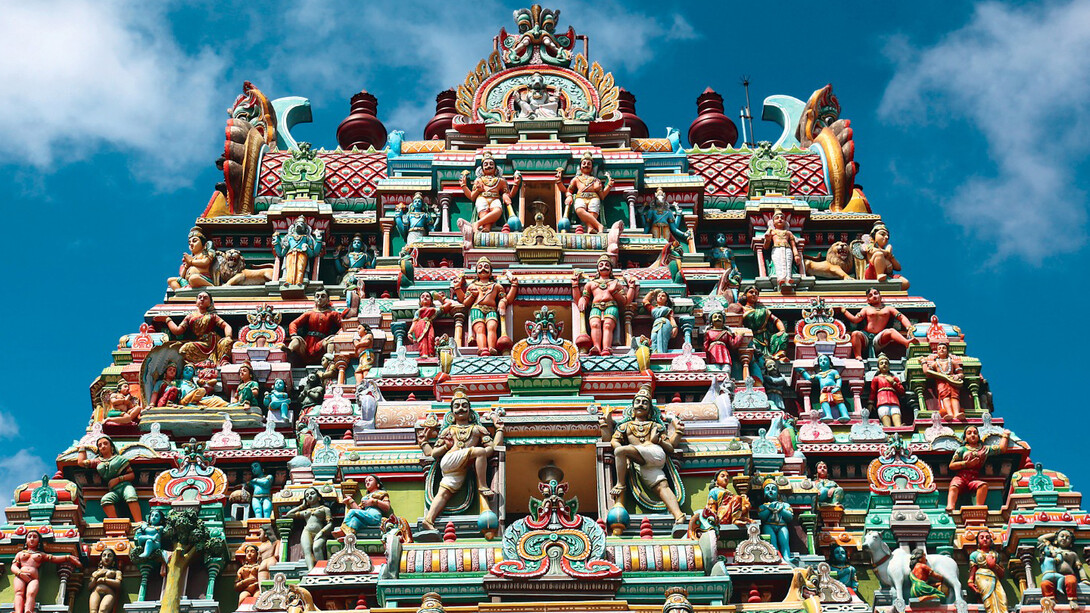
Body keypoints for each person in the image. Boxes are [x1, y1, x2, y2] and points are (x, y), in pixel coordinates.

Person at [417, 388, 504, 531]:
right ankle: (482, 486)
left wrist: (499, 429)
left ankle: (429, 520)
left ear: (470, 410)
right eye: (457, 406)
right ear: (452, 412)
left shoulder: (477, 429)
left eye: (465, 405)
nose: (461, 408)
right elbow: (433, 454)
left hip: (460, 469)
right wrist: (445, 445)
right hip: (449, 460)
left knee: (444, 494)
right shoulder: (448, 430)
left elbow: (492, 447)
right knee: (479, 450)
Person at [602, 384, 686, 524]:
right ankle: (679, 515)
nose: (641, 405)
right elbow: (614, 441)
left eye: (645, 403)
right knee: (662, 486)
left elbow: (669, 447)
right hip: (644, 463)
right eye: (638, 402)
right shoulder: (625, 426)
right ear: (632, 407)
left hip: (655, 453)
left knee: (620, 450)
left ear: (650, 410)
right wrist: (625, 456)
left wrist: (661, 438)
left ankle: (620, 484)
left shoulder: (655, 426)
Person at [451, 257, 517, 356]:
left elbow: (506, 299)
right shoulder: (472, 286)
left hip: (491, 309)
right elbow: (465, 302)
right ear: (476, 271)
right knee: (480, 328)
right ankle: (482, 349)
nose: (483, 269)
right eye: (480, 267)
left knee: (492, 327)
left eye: (486, 267)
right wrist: (458, 288)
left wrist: (513, 287)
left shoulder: (496, 286)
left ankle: (491, 347)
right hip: (477, 309)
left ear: (490, 272)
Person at [574, 255, 638, 356]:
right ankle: (597, 348)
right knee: (595, 325)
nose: (604, 266)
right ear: (597, 269)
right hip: (596, 306)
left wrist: (615, 291)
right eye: (601, 265)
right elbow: (584, 298)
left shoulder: (615, 283)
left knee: (608, 325)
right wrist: (577, 289)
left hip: (611, 305)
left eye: (607, 265)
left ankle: (606, 348)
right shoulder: (591, 284)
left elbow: (625, 301)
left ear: (611, 269)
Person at [155, 291, 234, 365]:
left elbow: (226, 326)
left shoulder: (212, 316)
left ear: (210, 303)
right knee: (185, 349)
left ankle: (223, 362)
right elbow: (177, 331)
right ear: (196, 302)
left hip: (214, 343)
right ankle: (195, 364)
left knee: (227, 342)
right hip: (199, 344)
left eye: (205, 298)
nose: (202, 299)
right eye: (200, 297)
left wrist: (228, 337)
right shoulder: (190, 317)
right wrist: (167, 319)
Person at [12, 530, 81, 613]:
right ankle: (18, 611)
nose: (32, 539)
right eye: (29, 537)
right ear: (26, 540)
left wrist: (68, 557)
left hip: (33, 578)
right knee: (19, 593)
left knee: (31, 593)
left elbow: (53, 558)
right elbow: (14, 566)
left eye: (35, 537)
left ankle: (28, 611)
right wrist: (20, 573)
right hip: (20, 575)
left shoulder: (40, 554)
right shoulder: (20, 553)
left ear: (39, 541)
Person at [78, 435, 142, 521]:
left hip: (125, 486)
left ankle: (139, 522)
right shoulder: (98, 461)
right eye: (100, 445)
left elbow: (131, 475)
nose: (102, 446)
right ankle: (116, 522)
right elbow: (81, 463)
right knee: (105, 500)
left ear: (111, 446)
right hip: (114, 490)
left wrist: (118, 479)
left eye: (105, 443)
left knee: (131, 496)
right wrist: (82, 447)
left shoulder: (120, 459)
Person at [947, 426, 1010, 512]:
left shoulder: (984, 449)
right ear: (965, 438)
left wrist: (1005, 435)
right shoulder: (962, 450)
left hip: (973, 478)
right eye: (969, 433)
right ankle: (951, 505)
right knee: (954, 486)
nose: (972, 435)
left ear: (978, 436)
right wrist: (966, 464)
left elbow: (1002, 449)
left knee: (983, 485)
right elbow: (951, 465)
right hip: (961, 477)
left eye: (975, 433)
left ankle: (979, 507)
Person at [839, 288, 913, 360]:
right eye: (870, 295)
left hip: (880, 337)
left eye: (876, 294)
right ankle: (858, 356)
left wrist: (909, 327)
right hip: (866, 337)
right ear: (868, 300)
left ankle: (906, 342)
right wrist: (844, 311)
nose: (874, 296)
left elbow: (901, 317)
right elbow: (855, 320)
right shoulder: (866, 309)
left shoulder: (888, 308)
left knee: (891, 331)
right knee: (855, 334)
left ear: (880, 297)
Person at [460, 152, 521, 233]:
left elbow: (509, 195)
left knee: (497, 210)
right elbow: (472, 196)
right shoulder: (479, 180)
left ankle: (477, 224)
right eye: (485, 164)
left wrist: (516, 184)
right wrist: (464, 186)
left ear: (496, 169)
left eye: (491, 164)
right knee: (484, 211)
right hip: (482, 198)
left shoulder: (501, 181)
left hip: (495, 198)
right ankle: (487, 228)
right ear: (482, 170)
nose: (488, 166)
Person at [739, 286, 787, 382]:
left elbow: (776, 320)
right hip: (751, 337)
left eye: (756, 293)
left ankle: (777, 354)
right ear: (745, 295)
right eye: (751, 292)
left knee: (784, 336)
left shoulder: (763, 310)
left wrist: (782, 330)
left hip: (765, 337)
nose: (754, 294)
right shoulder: (742, 309)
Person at [558, 152, 612, 234]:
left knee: (593, 211)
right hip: (580, 197)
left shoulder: (596, 180)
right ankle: (598, 225)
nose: (586, 165)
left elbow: (602, 196)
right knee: (579, 210)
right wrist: (569, 196)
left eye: (589, 164)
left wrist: (609, 185)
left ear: (592, 167)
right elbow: (569, 191)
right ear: (580, 166)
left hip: (594, 197)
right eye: (584, 163)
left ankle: (590, 228)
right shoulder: (576, 179)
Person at [288, 289, 342, 365]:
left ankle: (329, 362)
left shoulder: (333, 314)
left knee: (332, 340)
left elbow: (344, 326)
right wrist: (293, 335)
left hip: (321, 344)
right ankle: (288, 354)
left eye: (323, 296)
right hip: (306, 345)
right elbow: (293, 324)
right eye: (317, 296)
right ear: (314, 299)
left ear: (328, 300)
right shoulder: (309, 313)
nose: (319, 298)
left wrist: (337, 335)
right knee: (297, 340)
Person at [285, 486, 333, 569]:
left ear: (318, 497)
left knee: (317, 547)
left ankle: (321, 569)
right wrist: (302, 506)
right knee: (307, 551)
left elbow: (330, 524)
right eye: (307, 495)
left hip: (320, 532)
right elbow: (289, 514)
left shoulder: (325, 509)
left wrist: (322, 532)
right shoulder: (306, 511)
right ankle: (311, 570)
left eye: (312, 493)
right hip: (307, 532)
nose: (309, 496)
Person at [796, 354, 851, 422]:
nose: (823, 361)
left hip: (834, 389)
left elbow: (838, 379)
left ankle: (845, 415)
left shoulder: (833, 371)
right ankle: (828, 415)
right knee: (823, 401)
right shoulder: (819, 375)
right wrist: (802, 371)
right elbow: (809, 378)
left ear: (830, 363)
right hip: (824, 391)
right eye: (820, 360)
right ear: (819, 365)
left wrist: (838, 387)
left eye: (825, 359)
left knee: (839, 402)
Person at [1038, 529, 1084, 609]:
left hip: (1068, 574)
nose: (1064, 539)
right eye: (1062, 536)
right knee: (1045, 584)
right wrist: (1056, 534)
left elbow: (1079, 567)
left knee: (1071, 581)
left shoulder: (1072, 554)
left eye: (1068, 538)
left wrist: (1084, 579)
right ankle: (1051, 600)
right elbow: (1040, 539)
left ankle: (1072, 600)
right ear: (1056, 539)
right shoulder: (1053, 549)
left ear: (1071, 543)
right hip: (1053, 575)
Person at [274, 215, 324, 286]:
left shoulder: (307, 238)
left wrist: (308, 248)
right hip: (290, 254)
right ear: (293, 227)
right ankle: (288, 282)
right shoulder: (289, 237)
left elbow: (313, 254)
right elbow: (281, 254)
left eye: (302, 224)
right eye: (297, 223)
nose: (299, 225)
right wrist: (284, 246)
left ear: (305, 229)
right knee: (289, 268)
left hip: (302, 254)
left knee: (300, 268)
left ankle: (299, 281)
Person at [922, 343, 964, 421]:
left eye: (944, 348)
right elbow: (927, 371)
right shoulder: (935, 363)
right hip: (941, 381)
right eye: (939, 348)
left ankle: (957, 413)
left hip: (952, 380)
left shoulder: (952, 362)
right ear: (937, 352)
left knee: (955, 396)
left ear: (947, 351)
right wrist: (923, 362)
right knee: (945, 396)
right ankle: (950, 413)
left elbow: (961, 374)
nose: (941, 349)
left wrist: (957, 376)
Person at [968, 530, 1007, 613]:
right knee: (988, 600)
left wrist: (994, 565)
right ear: (978, 541)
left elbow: (1002, 574)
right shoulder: (975, 555)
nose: (985, 539)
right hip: (982, 577)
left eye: (987, 537)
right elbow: (973, 570)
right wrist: (970, 581)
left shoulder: (996, 555)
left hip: (995, 578)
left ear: (991, 540)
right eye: (981, 537)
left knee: (1002, 599)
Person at [763, 210, 800, 288]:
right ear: (773, 222)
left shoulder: (788, 233)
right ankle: (780, 278)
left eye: (782, 218)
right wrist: (767, 239)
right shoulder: (772, 231)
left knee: (788, 263)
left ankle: (788, 278)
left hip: (787, 249)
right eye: (777, 218)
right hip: (776, 249)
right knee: (778, 263)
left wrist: (796, 255)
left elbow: (793, 245)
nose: (780, 219)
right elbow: (766, 246)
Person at [758, 480, 793, 561]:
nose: (770, 490)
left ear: (777, 492)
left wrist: (781, 510)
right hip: (768, 525)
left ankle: (786, 557)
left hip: (782, 526)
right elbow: (762, 517)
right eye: (768, 489)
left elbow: (789, 517)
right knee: (772, 543)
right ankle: (776, 556)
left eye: (773, 488)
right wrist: (770, 509)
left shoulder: (784, 505)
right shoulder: (763, 506)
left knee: (784, 542)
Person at [409, 292, 450, 358]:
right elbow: (415, 322)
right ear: (420, 302)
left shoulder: (434, 310)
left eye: (427, 296)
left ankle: (431, 355)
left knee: (430, 338)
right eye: (422, 296)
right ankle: (423, 354)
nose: (425, 297)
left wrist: (440, 297)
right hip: (420, 325)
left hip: (429, 325)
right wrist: (410, 332)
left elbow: (449, 304)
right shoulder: (418, 311)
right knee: (423, 339)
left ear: (431, 301)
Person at [869, 353, 905, 427]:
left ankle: (899, 429)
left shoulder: (894, 378)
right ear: (878, 367)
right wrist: (870, 403)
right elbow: (872, 392)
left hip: (894, 401)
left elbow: (902, 391)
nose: (884, 365)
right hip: (882, 401)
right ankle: (888, 431)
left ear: (889, 366)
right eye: (881, 363)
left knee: (896, 414)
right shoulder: (876, 379)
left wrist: (894, 383)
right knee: (885, 416)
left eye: (886, 363)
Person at [88, 548, 122, 613]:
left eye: (109, 556)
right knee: (93, 611)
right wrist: (96, 576)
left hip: (109, 593)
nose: (106, 558)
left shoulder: (117, 572)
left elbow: (118, 584)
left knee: (103, 611)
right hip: (96, 592)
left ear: (113, 560)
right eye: (104, 555)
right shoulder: (96, 573)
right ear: (101, 559)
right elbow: (89, 587)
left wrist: (104, 580)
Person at [644, 289, 678, 353]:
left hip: (664, 323)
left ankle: (662, 353)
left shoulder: (667, 309)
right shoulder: (653, 308)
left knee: (662, 339)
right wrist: (652, 292)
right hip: (656, 325)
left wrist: (675, 327)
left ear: (666, 300)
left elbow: (671, 318)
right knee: (654, 339)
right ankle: (655, 353)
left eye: (663, 296)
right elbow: (645, 301)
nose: (660, 297)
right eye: (658, 296)